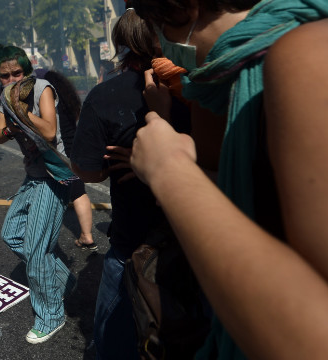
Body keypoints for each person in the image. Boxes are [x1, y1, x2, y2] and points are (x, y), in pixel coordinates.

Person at [129, 0, 328, 358]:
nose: (159, 46)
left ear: (185, 9)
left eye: (156, 27)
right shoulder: (219, 84)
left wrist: (169, 172)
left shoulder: (316, 50)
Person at [70, 7, 191, 358]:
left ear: (122, 44)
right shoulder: (201, 87)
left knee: (114, 342)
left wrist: (136, 162)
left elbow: (87, 171)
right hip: (200, 242)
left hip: (135, 246)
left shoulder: (107, 96)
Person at [0, 44, 77, 344]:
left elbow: (51, 132)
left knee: (37, 251)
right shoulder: (3, 96)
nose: (12, 79)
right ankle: (63, 281)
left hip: (54, 176)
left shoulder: (42, 88)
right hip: (33, 176)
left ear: (27, 70)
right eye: (5, 75)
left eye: (17, 72)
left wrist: (22, 112)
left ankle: (51, 315)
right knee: (11, 233)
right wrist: (10, 127)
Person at [34, 68, 96, 250]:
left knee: (49, 192)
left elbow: (48, 131)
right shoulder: (68, 97)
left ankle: (43, 242)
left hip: (59, 152)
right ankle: (87, 235)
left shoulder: (46, 99)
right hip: (75, 148)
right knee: (78, 191)